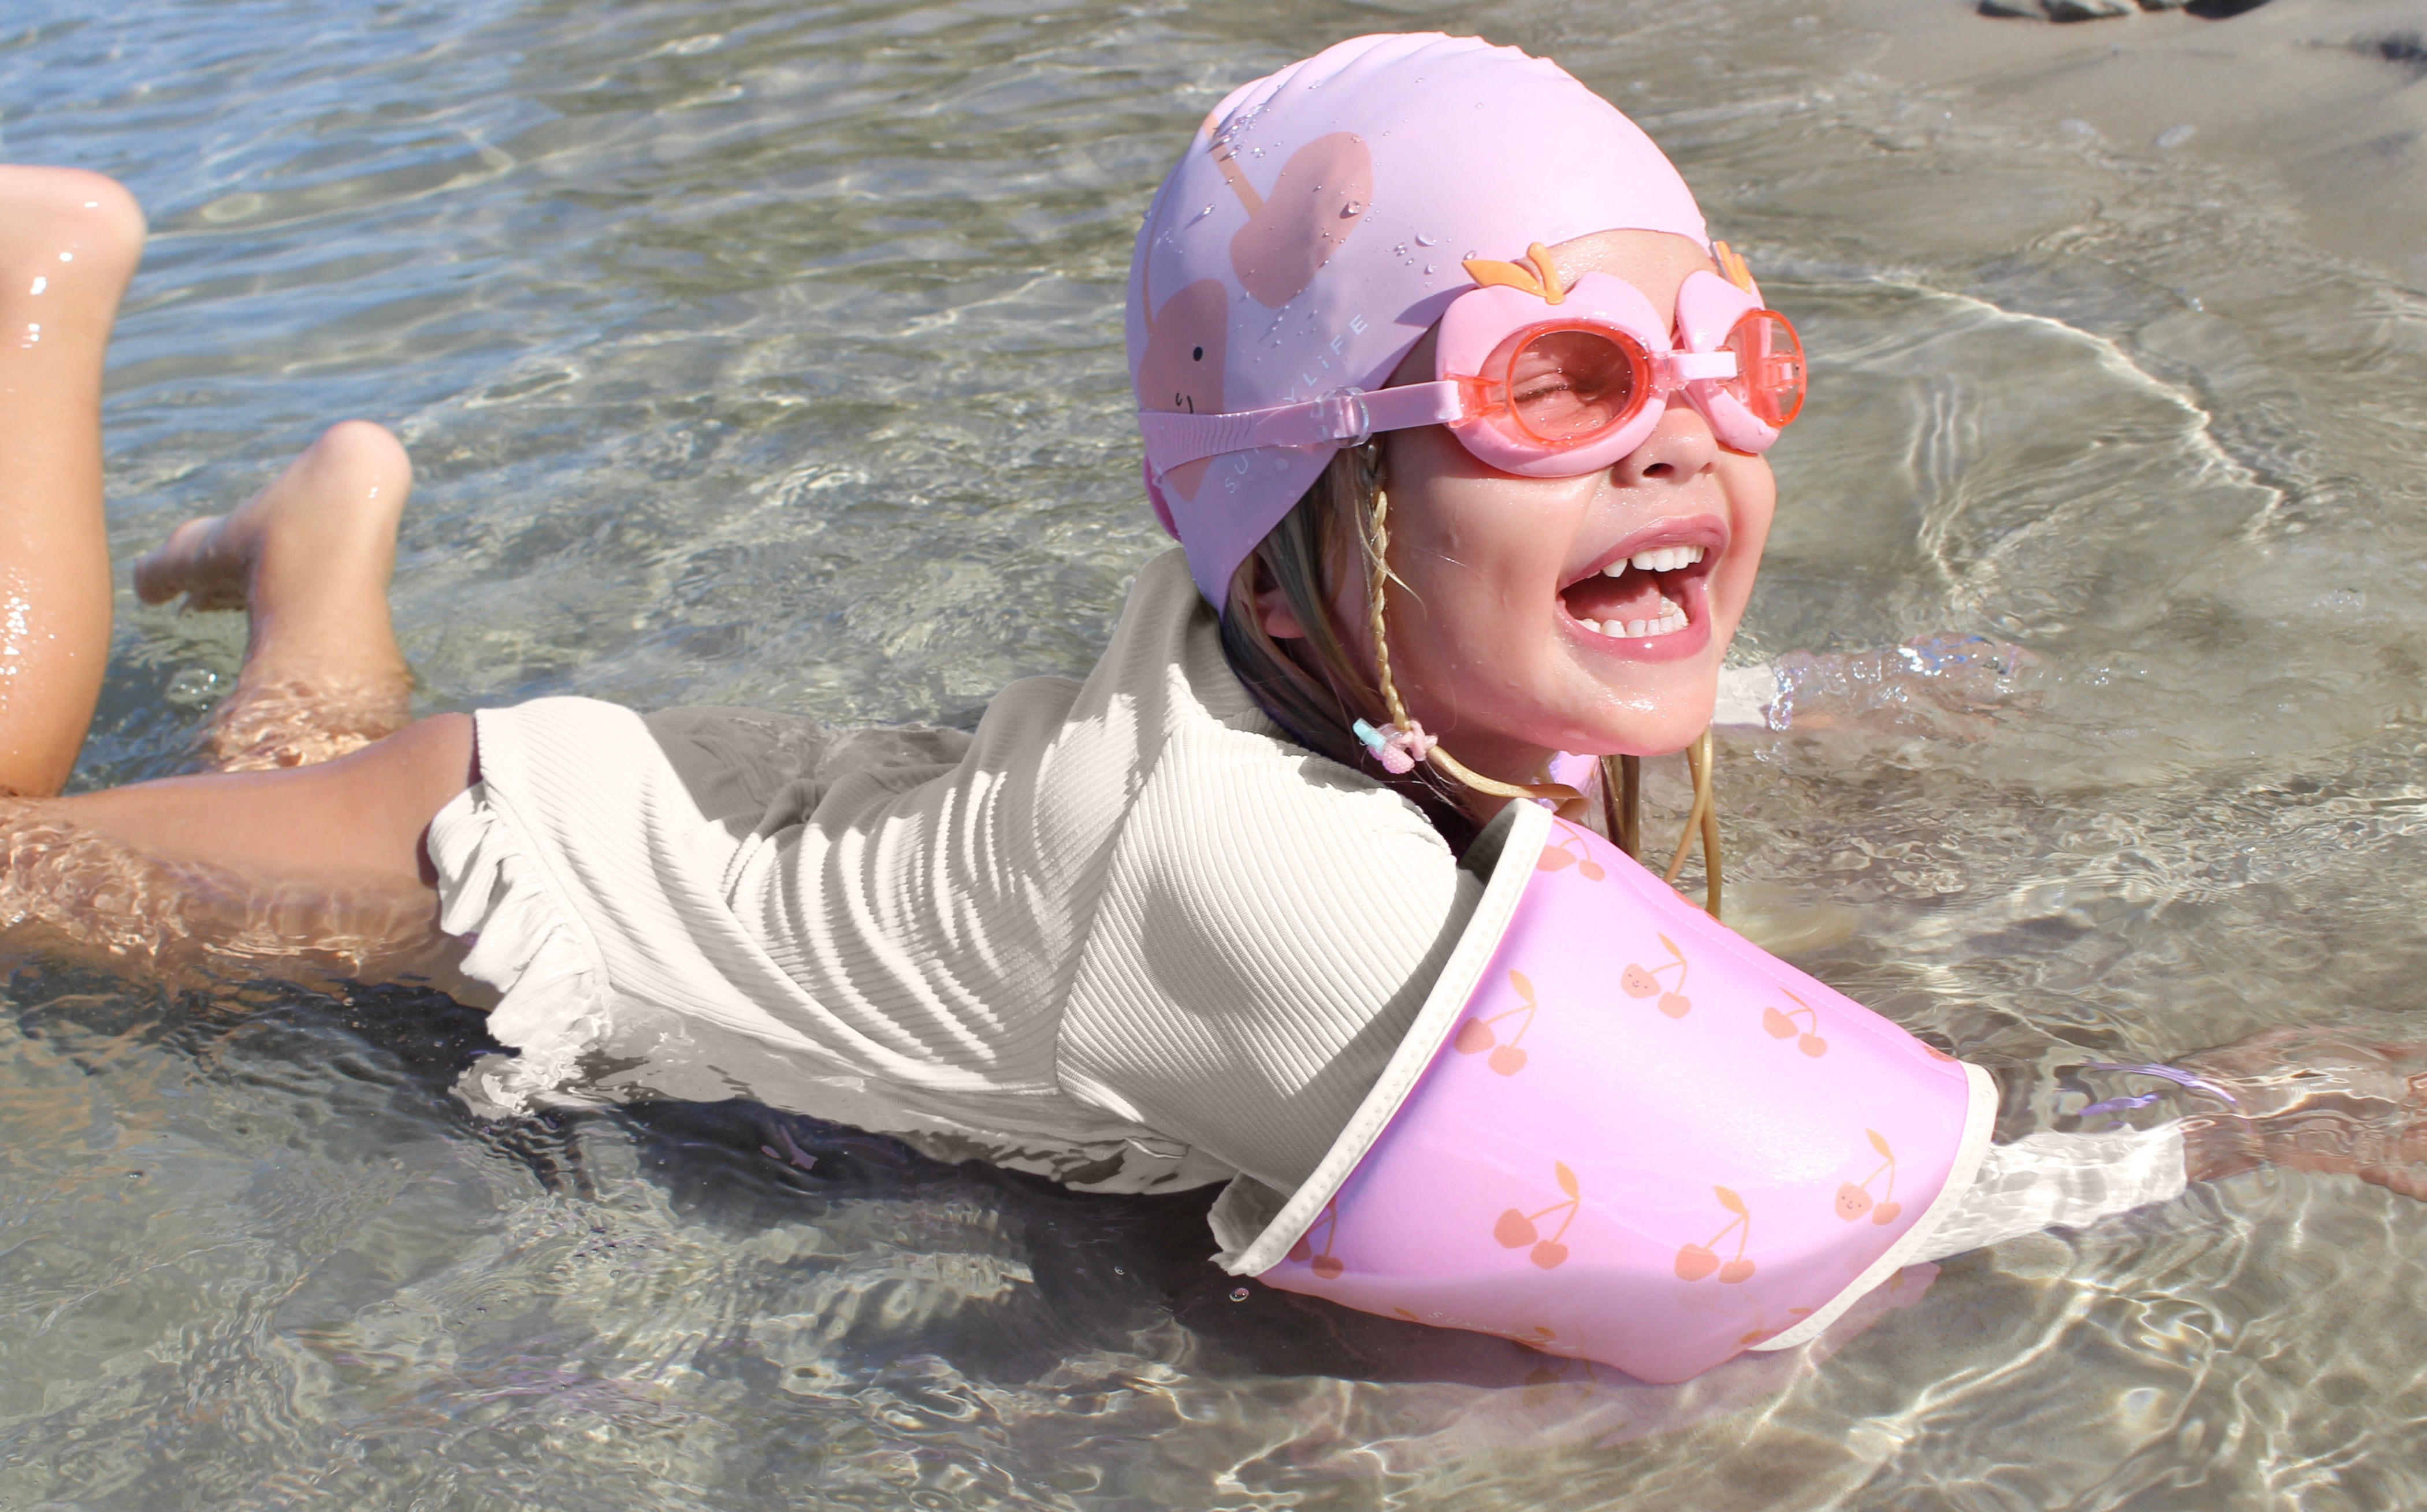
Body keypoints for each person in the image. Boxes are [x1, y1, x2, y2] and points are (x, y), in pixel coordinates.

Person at [0, 35, 2416, 1383]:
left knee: (259, 823)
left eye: (1728, 358)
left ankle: (330, 536)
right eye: (1556, 381)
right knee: (27, 872)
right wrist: (2227, 1130)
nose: (1687, 435)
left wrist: (1799, 698)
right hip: (548, 870)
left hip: (646, 800)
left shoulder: (1350, 634)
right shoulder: (1256, 880)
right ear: (1304, 495)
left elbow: (1542, 733)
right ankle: (46, 290)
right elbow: (1792, 1216)